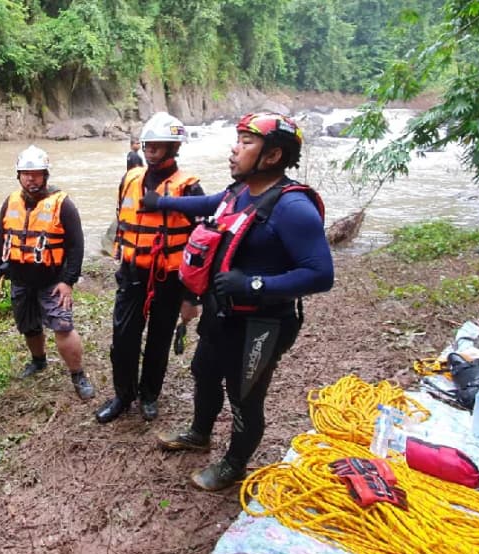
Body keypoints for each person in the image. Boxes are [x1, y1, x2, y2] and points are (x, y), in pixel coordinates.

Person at [149, 112, 334, 491]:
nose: (234, 150)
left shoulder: (292, 208)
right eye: (237, 141)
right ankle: (199, 433)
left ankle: (234, 465)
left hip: (261, 324)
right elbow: (206, 204)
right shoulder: (239, 192)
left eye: (246, 143)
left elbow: (320, 274)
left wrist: (253, 284)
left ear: (273, 155)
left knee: (244, 395)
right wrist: (159, 202)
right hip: (221, 313)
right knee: (203, 372)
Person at [96, 111, 204, 424]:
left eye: (158, 145)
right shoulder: (130, 179)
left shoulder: (189, 188)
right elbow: (121, 220)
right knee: (123, 338)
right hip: (132, 273)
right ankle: (123, 395)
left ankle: (149, 395)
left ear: (174, 148)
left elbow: (200, 245)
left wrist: (192, 296)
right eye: (148, 145)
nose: (151, 150)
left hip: (169, 278)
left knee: (159, 338)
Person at [0, 145, 95, 400]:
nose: (30, 179)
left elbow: (76, 246)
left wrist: (68, 281)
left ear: (45, 175)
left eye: (36, 174)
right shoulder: (10, 202)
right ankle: (38, 361)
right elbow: (0, 238)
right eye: (26, 174)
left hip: (52, 279)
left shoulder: (63, 204)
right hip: (20, 278)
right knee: (29, 326)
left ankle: (78, 375)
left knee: (63, 326)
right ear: (19, 175)